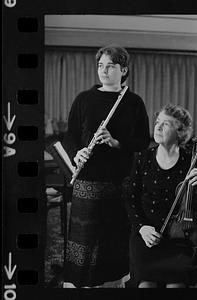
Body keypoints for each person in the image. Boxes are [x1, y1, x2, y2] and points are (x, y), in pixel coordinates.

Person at [62, 44, 150, 288]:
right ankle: (79, 283)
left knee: (114, 239)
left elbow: (143, 141)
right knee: (84, 239)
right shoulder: (84, 99)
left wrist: (117, 142)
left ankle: (112, 284)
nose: (104, 70)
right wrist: (76, 153)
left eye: (111, 66)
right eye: (101, 65)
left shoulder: (133, 102)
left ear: (123, 70)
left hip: (118, 181)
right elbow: (69, 134)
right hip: (86, 181)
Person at [125, 104, 197, 288]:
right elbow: (130, 199)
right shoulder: (142, 158)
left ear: (180, 132)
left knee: (176, 286)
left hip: (178, 238)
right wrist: (142, 228)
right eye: (157, 122)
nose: (157, 126)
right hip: (147, 235)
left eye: (165, 124)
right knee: (146, 286)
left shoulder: (191, 161)